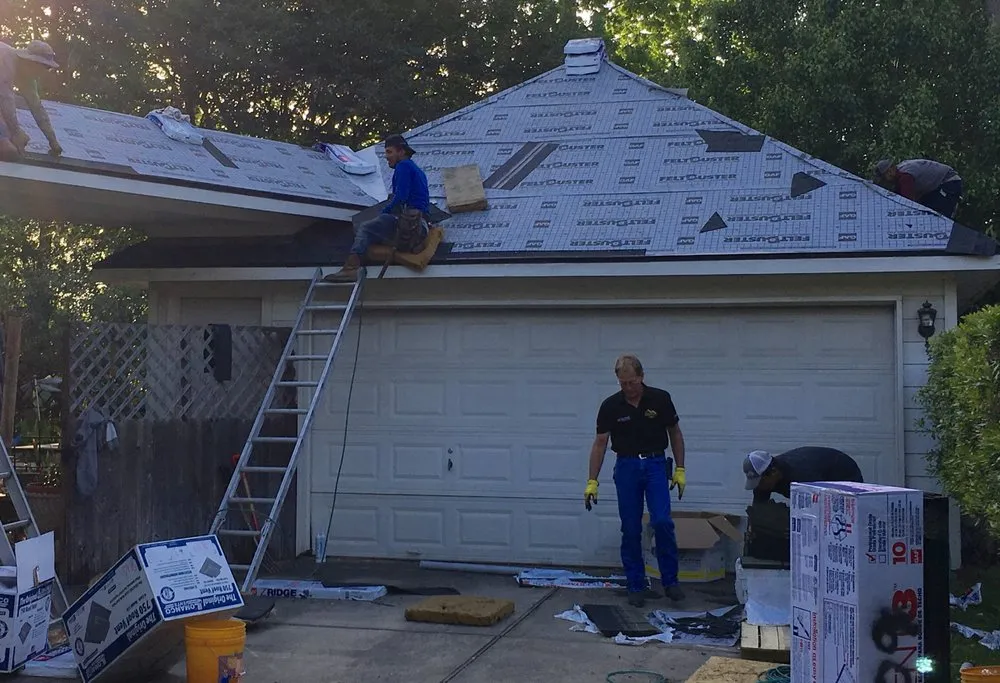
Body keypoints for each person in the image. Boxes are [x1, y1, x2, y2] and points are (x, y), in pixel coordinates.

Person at [585, 354, 687, 607]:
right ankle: (635, 584)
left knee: (662, 522)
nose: (628, 388)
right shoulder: (611, 406)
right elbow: (600, 443)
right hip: (627, 466)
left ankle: (671, 581)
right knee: (630, 528)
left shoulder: (660, 399)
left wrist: (681, 468)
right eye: (623, 384)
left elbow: (675, 432)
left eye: (632, 382)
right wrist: (592, 481)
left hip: (654, 464)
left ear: (641, 377)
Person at [325, 133, 430, 282]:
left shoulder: (403, 166)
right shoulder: (416, 169)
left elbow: (400, 197)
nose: (386, 156)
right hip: (421, 225)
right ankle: (412, 244)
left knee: (366, 228)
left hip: (411, 223)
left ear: (401, 152)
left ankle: (351, 268)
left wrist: (384, 212)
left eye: (389, 152)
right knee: (379, 227)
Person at [0, 40, 63, 160]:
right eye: (44, 67)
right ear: (31, 62)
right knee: (7, 147)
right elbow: (5, 99)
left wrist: (53, 141)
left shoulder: (26, 76)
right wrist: (16, 132)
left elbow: (37, 108)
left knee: (14, 138)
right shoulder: (5, 59)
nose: (43, 72)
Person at [743, 446, 864, 504]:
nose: (759, 486)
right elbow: (759, 508)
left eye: (760, 482)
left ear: (773, 472)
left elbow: (817, 507)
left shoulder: (802, 476)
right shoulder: (764, 478)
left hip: (843, 473)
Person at [873, 158, 963, 218]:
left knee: (936, 216)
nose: (886, 182)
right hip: (938, 186)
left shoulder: (905, 176)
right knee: (924, 209)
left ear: (890, 171)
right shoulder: (901, 172)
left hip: (949, 182)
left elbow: (907, 203)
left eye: (884, 178)